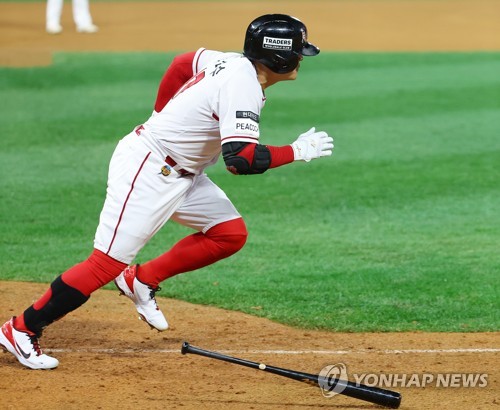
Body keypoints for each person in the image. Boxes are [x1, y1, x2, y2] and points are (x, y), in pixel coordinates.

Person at [0, 14, 333, 369]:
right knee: (105, 264)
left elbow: (182, 62)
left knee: (228, 233)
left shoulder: (233, 61)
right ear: (279, 58)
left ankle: (142, 280)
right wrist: (296, 152)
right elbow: (241, 160)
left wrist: (161, 113)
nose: (301, 59)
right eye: (298, 52)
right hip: (150, 170)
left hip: (182, 173)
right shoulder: (243, 86)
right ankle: (20, 330)